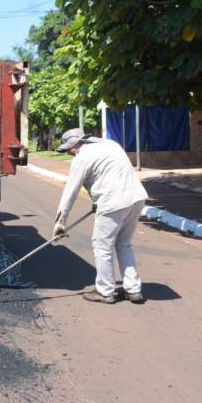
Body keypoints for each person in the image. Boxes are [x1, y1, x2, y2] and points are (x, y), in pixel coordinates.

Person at [53, 128, 149, 304]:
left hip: (113, 202)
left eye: (69, 149)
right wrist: (97, 200)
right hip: (136, 198)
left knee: (102, 245)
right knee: (124, 244)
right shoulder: (111, 144)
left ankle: (105, 291)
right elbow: (109, 175)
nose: (70, 153)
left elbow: (70, 192)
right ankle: (133, 290)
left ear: (76, 144)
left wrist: (60, 222)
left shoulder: (82, 157)